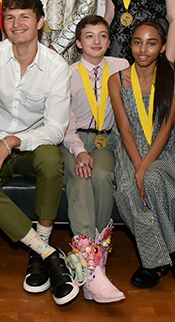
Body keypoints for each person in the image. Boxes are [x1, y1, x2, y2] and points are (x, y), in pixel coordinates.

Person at [0, 0, 78, 306]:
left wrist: (13, 142)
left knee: (51, 160)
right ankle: (46, 252)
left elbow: (54, 128)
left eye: (24, 16)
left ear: (39, 23)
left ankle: (43, 245)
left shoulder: (55, 66)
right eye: (9, 17)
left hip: (30, 143)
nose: (16, 23)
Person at [108, 20, 175, 289]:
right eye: (137, 42)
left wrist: (144, 169)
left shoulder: (174, 76)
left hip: (165, 147)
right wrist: (137, 166)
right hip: (131, 149)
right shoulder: (116, 79)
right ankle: (173, 254)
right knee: (128, 190)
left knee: (152, 180)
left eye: (151, 43)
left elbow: (167, 126)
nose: (143, 49)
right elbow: (124, 127)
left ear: (162, 47)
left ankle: (158, 260)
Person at [62, 15, 127, 304]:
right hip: (75, 140)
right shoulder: (67, 73)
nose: (97, 41)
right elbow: (65, 121)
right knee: (80, 178)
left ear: (110, 40)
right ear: (78, 43)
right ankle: (89, 265)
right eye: (89, 36)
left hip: (107, 140)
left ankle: (96, 261)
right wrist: (79, 150)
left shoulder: (122, 67)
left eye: (102, 35)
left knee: (102, 176)